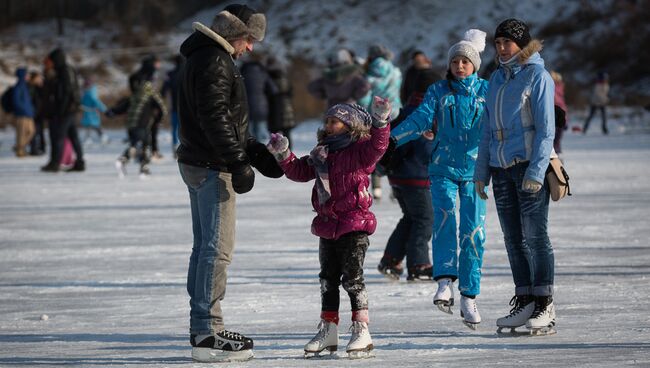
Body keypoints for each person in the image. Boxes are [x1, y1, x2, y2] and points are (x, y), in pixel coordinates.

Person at [176, 4, 282, 362]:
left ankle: (202, 326)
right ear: (235, 34)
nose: (250, 48)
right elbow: (214, 117)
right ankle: (208, 330)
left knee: (204, 246)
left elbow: (226, 120)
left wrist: (254, 152)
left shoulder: (206, 56)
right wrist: (237, 161)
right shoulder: (215, 61)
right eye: (248, 40)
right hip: (210, 165)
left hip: (200, 159)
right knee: (216, 250)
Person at [266, 97, 391, 359]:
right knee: (328, 280)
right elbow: (299, 171)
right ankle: (329, 329)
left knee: (353, 279)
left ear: (349, 126)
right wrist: (283, 154)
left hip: (354, 223)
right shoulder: (322, 152)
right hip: (328, 225)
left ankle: (361, 329)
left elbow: (380, 145)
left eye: (335, 121)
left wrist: (381, 121)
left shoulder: (360, 151)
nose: (329, 125)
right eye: (328, 121)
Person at [389, 30, 489, 329]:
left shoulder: (487, 90)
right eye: (456, 61)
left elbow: (507, 116)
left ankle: (469, 295)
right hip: (442, 167)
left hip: (476, 172)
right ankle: (445, 281)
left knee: (474, 231)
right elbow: (420, 119)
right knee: (445, 218)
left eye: (465, 61)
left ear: (475, 65)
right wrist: (392, 139)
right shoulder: (438, 91)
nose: (460, 66)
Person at [473, 19, 556, 335]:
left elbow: (547, 130)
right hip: (500, 169)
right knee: (513, 239)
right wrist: (481, 172)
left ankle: (544, 303)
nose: (503, 48)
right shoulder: (495, 78)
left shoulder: (538, 76)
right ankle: (525, 300)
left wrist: (537, 171)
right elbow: (485, 132)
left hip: (527, 166)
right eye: (498, 43)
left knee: (536, 237)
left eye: (508, 42)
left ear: (522, 44)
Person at [377, 69, 438, 282]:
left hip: (399, 176)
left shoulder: (407, 110)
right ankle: (419, 264)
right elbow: (424, 149)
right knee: (425, 219)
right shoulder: (425, 113)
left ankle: (391, 260)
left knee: (411, 218)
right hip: (416, 176)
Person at [106, 62, 167, 177]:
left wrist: (112, 112)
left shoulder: (135, 95)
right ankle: (124, 159)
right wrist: (158, 120)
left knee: (141, 144)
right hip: (143, 124)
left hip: (131, 125)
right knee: (141, 145)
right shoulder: (151, 94)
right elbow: (162, 109)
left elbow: (123, 107)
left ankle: (142, 168)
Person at [359, 44, 402, 200]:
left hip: (375, 115)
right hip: (396, 112)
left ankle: (376, 187)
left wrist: (362, 114)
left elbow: (364, 98)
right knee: (393, 149)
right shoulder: (396, 72)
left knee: (374, 149)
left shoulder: (369, 75)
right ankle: (395, 186)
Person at [40, 48, 85, 172]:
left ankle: (55, 163)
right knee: (73, 136)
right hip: (71, 109)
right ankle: (80, 162)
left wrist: (61, 110)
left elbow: (66, 92)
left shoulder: (64, 71)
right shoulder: (66, 70)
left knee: (58, 137)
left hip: (66, 110)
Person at [240, 53, 277, 141]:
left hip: (246, 107)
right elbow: (274, 89)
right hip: (262, 107)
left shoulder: (242, 71)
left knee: (249, 136)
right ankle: (261, 153)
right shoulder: (263, 72)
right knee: (261, 135)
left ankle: (250, 153)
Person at [266, 56, 296, 148]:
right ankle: (289, 154)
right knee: (287, 134)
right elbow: (291, 93)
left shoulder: (268, 78)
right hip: (287, 108)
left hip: (274, 109)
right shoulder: (284, 77)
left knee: (274, 136)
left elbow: (267, 94)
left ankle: (275, 155)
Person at [10, 67, 36, 157]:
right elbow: (16, 101)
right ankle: (20, 151)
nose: (28, 76)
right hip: (21, 114)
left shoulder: (25, 86)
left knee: (31, 131)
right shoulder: (18, 86)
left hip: (29, 114)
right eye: (27, 74)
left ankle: (19, 147)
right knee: (21, 134)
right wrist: (24, 110)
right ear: (23, 75)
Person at [161, 54, 183, 156]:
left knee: (175, 128)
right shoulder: (188, 72)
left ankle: (175, 146)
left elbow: (163, 91)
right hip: (189, 107)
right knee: (188, 128)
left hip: (175, 106)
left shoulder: (170, 74)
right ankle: (185, 147)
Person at [80, 76, 108, 145]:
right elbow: (81, 100)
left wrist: (104, 109)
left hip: (93, 111)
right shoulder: (83, 91)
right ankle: (89, 138)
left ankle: (102, 136)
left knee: (95, 125)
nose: (86, 85)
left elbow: (96, 101)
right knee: (89, 125)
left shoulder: (91, 92)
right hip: (86, 111)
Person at [27, 71, 46, 156]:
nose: (40, 79)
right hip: (34, 112)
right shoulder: (30, 87)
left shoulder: (40, 87)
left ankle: (42, 147)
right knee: (34, 131)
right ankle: (34, 149)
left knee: (40, 131)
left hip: (40, 112)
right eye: (38, 78)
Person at [550, 71, 568, 154]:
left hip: (557, 115)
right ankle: (556, 152)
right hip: (557, 115)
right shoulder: (557, 89)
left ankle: (556, 153)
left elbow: (560, 104)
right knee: (555, 138)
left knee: (556, 137)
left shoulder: (554, 88)